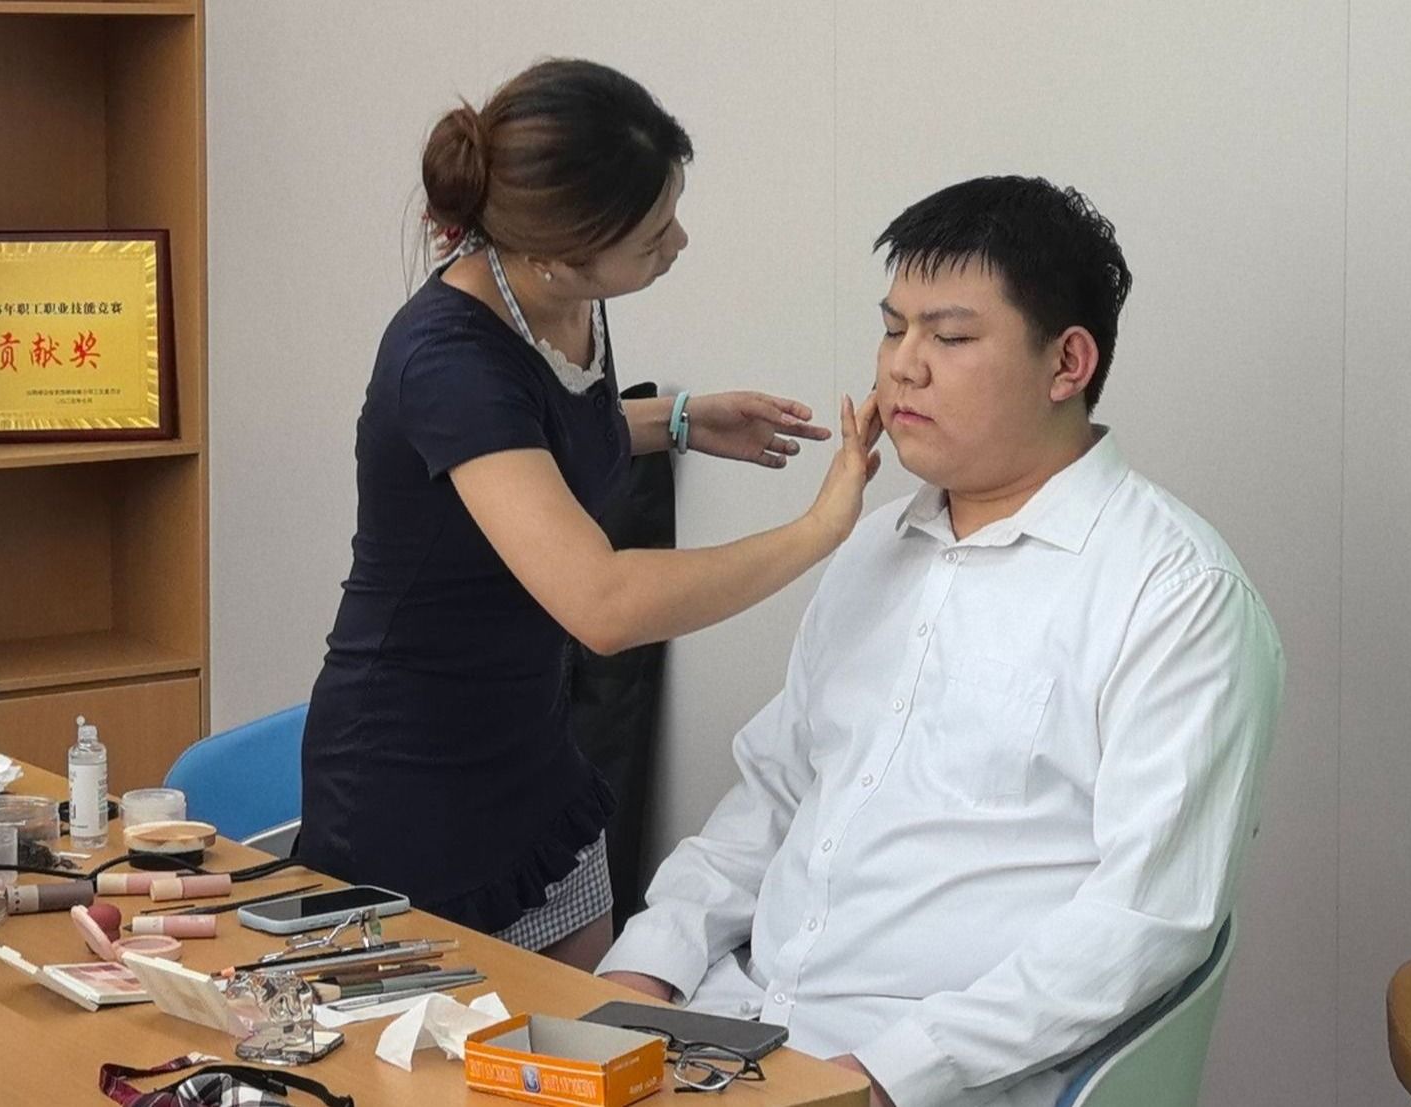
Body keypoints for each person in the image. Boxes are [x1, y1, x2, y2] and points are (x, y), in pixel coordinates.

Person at [598, 176, 1286, 1107]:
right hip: (736, 1031)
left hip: (931, 1077)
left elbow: (1147, 917)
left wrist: (884, 1075)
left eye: (950, 337)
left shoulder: (1174, 593)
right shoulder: (875, 546)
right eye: (893, 330)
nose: (903, 369)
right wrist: (643, 969)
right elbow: (774, 795)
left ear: (1067, 363)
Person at [297, 58, 885, 971]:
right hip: (410, 786)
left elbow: (536, 435)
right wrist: (816, 532)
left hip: (532, 758)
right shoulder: (447, 361)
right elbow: (603, 603)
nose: (678, 243)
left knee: (585, 1037)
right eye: (651, 238)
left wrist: (677, 421)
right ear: (554, 250)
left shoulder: (563, 300)